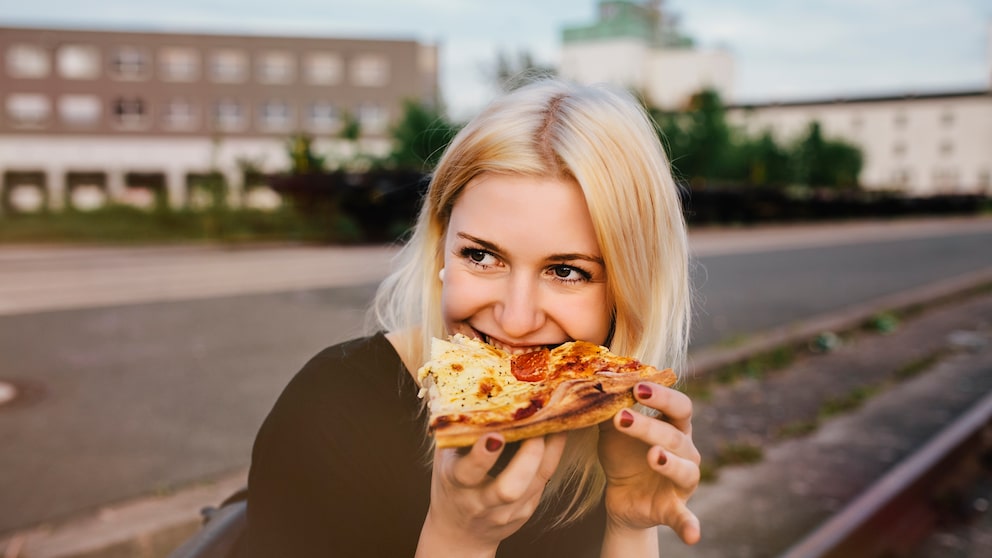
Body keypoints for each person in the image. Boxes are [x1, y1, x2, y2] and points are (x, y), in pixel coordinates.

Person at [242, 79, 700, 557]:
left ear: (630, 287)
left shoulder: (610, 433)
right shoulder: (325, 414)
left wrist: (630, 526)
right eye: (482, 257)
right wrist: (457, 540)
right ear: (441, 243)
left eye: (566, 271)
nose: (517, 320)